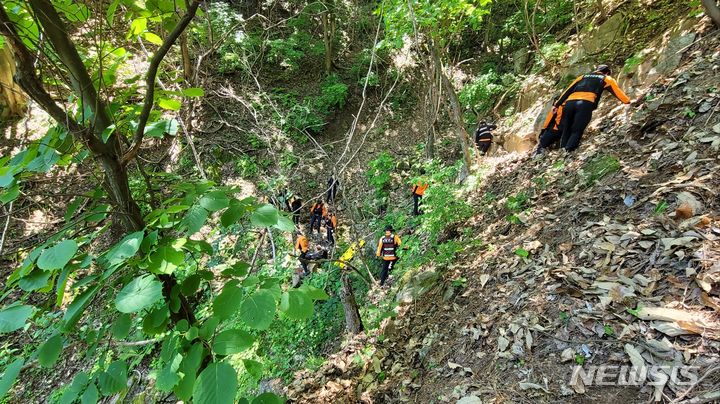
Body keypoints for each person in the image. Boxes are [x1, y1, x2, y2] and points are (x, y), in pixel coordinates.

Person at [553, 64, 630, 152]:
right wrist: (627, 102)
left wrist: (557, 105)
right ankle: (569, 149)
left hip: (569, 103)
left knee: (567, 127)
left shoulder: (582, 77)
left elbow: (568, 91)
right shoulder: (606, 78)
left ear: (596, 70)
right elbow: (617, 92)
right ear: (607, 72)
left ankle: (562, 150)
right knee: (577, 128)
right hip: (585, 104)